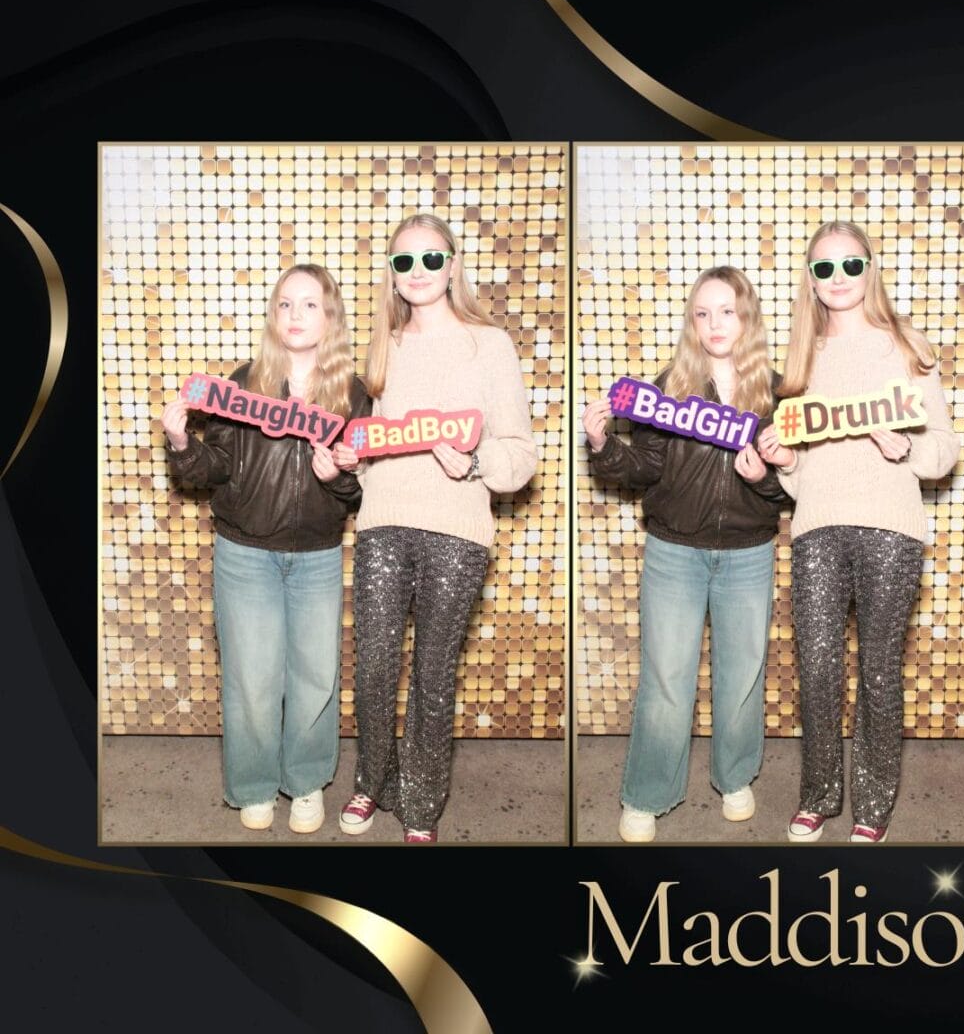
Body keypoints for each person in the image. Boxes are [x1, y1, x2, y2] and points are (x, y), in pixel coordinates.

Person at [758, 221, 960, 843]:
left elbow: (943, 451)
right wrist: (784, 462)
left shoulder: (907, 346)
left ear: (871, 268)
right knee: (817, 667)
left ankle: (872, 807)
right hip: (817, 526)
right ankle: (819, 794)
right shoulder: (801, 357)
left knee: (877, 670)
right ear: (811, 280)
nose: (839, 278)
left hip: (892, 528)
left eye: (851, 264)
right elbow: (801, 478)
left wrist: (907, 448)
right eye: (825, 268)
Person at [339, 213, 537, 843]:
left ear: (452, 266)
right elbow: (373, 444)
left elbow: (521, 454)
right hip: (382, 524)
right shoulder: (383, 347)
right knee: (373, 666)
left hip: (456, 531)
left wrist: (475, 463)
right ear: (392, 275)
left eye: (431, 258)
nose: (418, 271)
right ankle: (372, 781)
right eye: (405, 261)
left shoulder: (490, 345)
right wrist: (351, 458)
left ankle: (421, 802)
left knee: (432, 671)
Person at [162, 264, 369, 835]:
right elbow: (215, 468)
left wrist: (338, 476)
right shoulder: (244, 383)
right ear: (273, 315)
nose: (295, 315)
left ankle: (305, 782)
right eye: (285, 304)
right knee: (251, 679)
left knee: (315, 679)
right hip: (245, 554)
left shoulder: (353, 395)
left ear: (330, 317)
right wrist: (181, 442)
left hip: (317, 555)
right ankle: (253, 785)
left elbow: (360, 492)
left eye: (310, 304)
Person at [584, 267, 788, 842]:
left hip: (749, 552)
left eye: (727, 311)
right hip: (673, 550)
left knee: (743, 676)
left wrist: (765, 478)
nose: (715, 324)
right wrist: (602, 444)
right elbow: (645, 468)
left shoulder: (780, 394)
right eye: (703, 313)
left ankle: (736, 777)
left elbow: (797, 487)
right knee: (666, 677)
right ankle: (647, 794)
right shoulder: (668, 387)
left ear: (748, 318)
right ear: (691, 323)